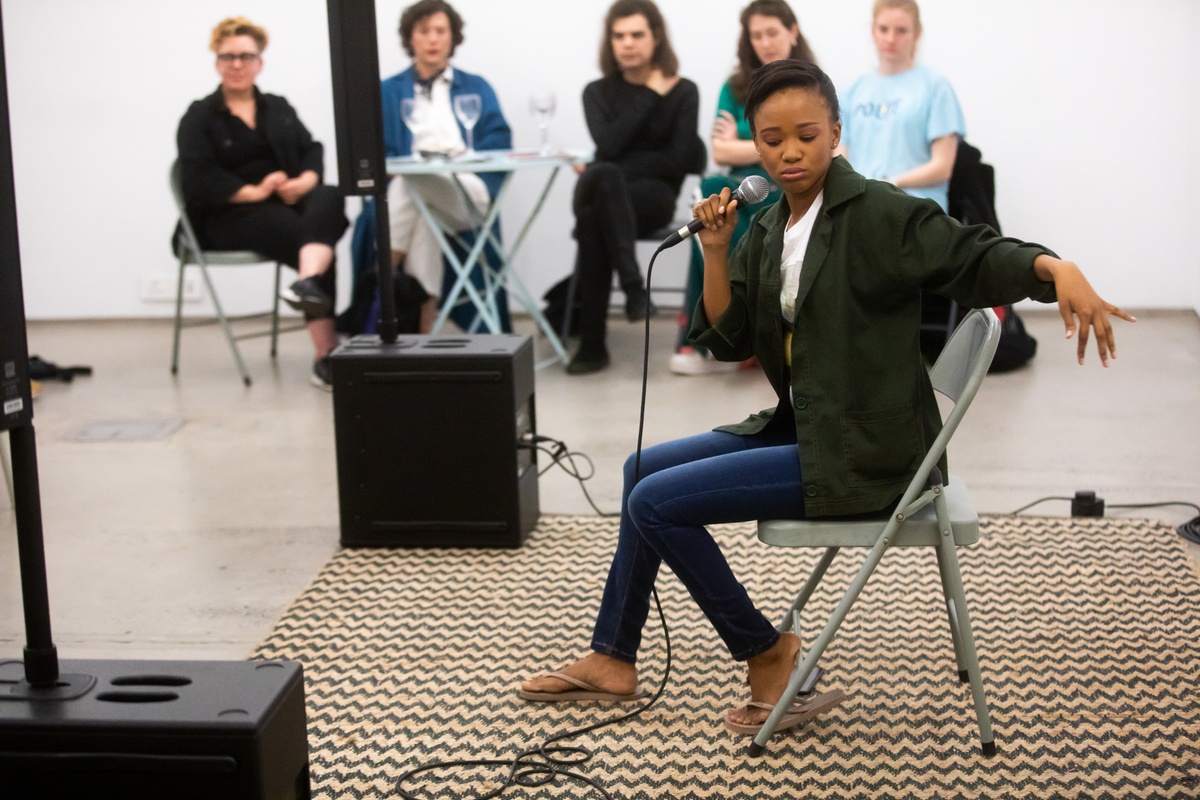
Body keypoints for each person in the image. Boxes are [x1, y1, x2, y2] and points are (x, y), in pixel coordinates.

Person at [519, 60, 1133, 736]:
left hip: (869, 451)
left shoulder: (880, 214)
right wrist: (717, 252)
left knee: (652, 504)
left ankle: (766, 651)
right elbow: (724, 340)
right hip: (810, 424)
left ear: (835, 132)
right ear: (755, 142)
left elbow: (975, 255)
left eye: (806, 134)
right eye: (772, 138)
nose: (789, 152)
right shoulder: (768, 226)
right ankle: (613, 657)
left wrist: (1055, 267)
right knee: (641, 471)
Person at [177, 17, 348, 390]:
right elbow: (197, 177)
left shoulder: (277, 107)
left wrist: (304, 180)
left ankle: (305, 282)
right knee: (316, 238)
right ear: (216, 62)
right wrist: (254, 191)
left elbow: (311, 150)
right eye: (228, 56)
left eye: (246, 56)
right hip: (228, 215)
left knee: (328, 197)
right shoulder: (199, 116)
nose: (237, 64)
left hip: (283, 203)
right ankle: (325, 352)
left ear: (260, 62)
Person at [669, 0, 814, 376]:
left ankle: (715, 335)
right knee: (711, 197)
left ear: (792, 32)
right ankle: (733, 327)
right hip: (745, 183)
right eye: (757, 35)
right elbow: (718, 149)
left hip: (788, 183)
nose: (765, 42)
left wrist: (748, 141)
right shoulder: (735, 87)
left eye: (772, 33)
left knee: (720, 217)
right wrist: (769, 141)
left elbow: (803, 148)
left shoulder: (809, 85)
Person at [564, 0, 706, 375]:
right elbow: (608, 146)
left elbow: (680, 161)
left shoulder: (683, 91)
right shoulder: (595, 92)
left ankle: (593, 345)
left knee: (599, 203)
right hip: (603, 189)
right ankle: (633, 287)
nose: (627, 43)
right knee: (605, 178)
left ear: (655, 37)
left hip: (651, 199)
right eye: (619, 35)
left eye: (637, 34)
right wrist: (650, 96)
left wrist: (610, 164)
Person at [380, 0, 512, 333]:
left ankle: (380, 284)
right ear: (410, 38)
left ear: (453, 38)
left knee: (407, 185)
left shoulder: (476, 87)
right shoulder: (388, 91)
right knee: (418, 207)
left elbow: (499, 141)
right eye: (424, 31)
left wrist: (465, 159)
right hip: (417, 193)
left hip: (467, 191)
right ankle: (424, 331)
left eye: (441, 31)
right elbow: (377, 150)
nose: (433, 39)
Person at [838, 0, 963, 213]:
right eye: (883, 29)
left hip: (917, 211)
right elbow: (839, 159)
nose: (890, 38)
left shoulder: (935, 87)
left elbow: (943, 167)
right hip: (861, 210)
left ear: (917, 33)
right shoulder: (852, 91)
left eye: (901, 31)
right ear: (872, 31)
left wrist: (891, 183)